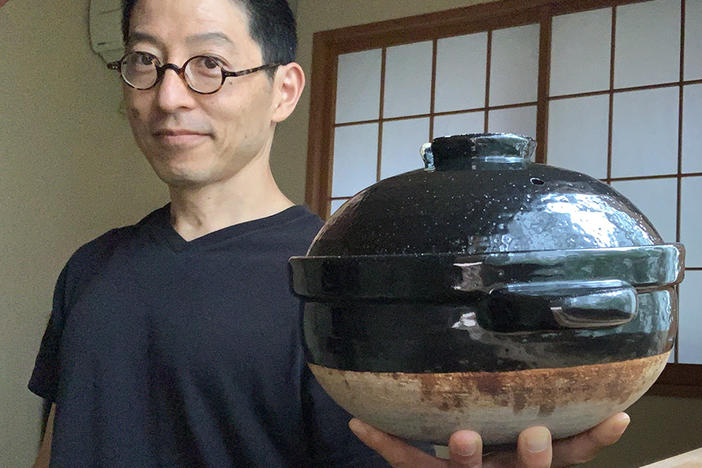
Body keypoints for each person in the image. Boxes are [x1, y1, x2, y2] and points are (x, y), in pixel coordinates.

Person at [29, 0, 631, 466]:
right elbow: (59, 444)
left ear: (283, 91)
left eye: (208, 65)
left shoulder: (344, 281)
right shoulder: (90, 268)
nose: (168, 95)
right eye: (144, 62)